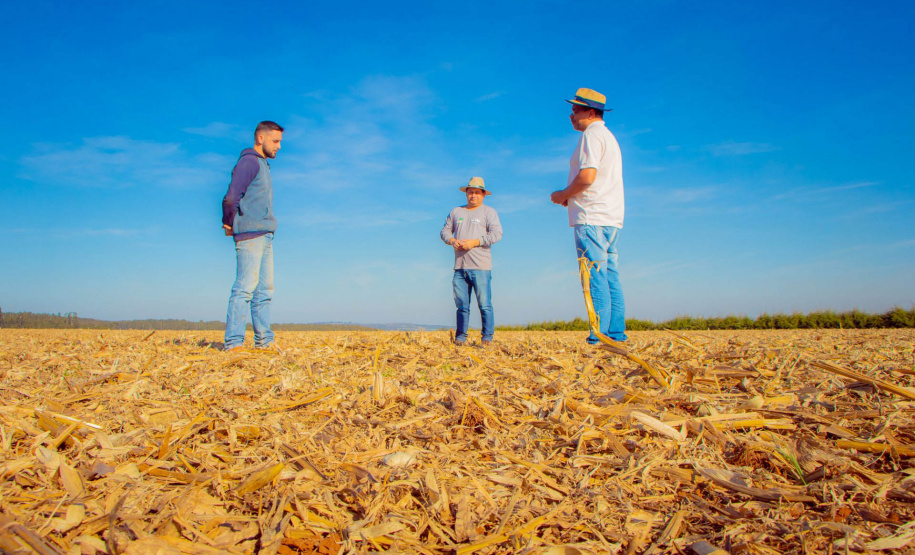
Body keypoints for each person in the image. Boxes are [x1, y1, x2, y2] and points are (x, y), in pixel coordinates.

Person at [550, 88, 628, 343]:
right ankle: (615, 333)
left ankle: (599, 336)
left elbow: (587, 177)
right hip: (610, 216)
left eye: (575, 110)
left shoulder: (591, 136)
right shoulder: (608, 136)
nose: (571, 116)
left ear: (590, 112)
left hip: (591, 216)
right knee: (610, 275)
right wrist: (571, 196)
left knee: (593, 274)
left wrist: (563, 194)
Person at [221, 121, 284, 352]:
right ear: (260, 139)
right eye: (275, 141)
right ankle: (234, 344)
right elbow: (231, 197)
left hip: (266, 234)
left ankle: (264, 342)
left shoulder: (263, 165)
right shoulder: (249, 162)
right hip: (250, 234)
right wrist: (228, 222)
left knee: (264, 291)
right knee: (245, 288)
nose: (278, 146)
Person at [441, 177, 503, 346]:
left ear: (483, 195)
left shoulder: (489, 212)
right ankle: (460, 338)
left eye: (477, 192)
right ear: (466, 194)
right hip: (460, 267)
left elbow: (497, 234)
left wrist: (474, 242)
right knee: (462, 306)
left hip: (481, 267)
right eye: (470, 192)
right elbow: (444, 231)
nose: (473, 196)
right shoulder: (456, 212)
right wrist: (452, 240)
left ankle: (487, 338)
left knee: (484, 304)